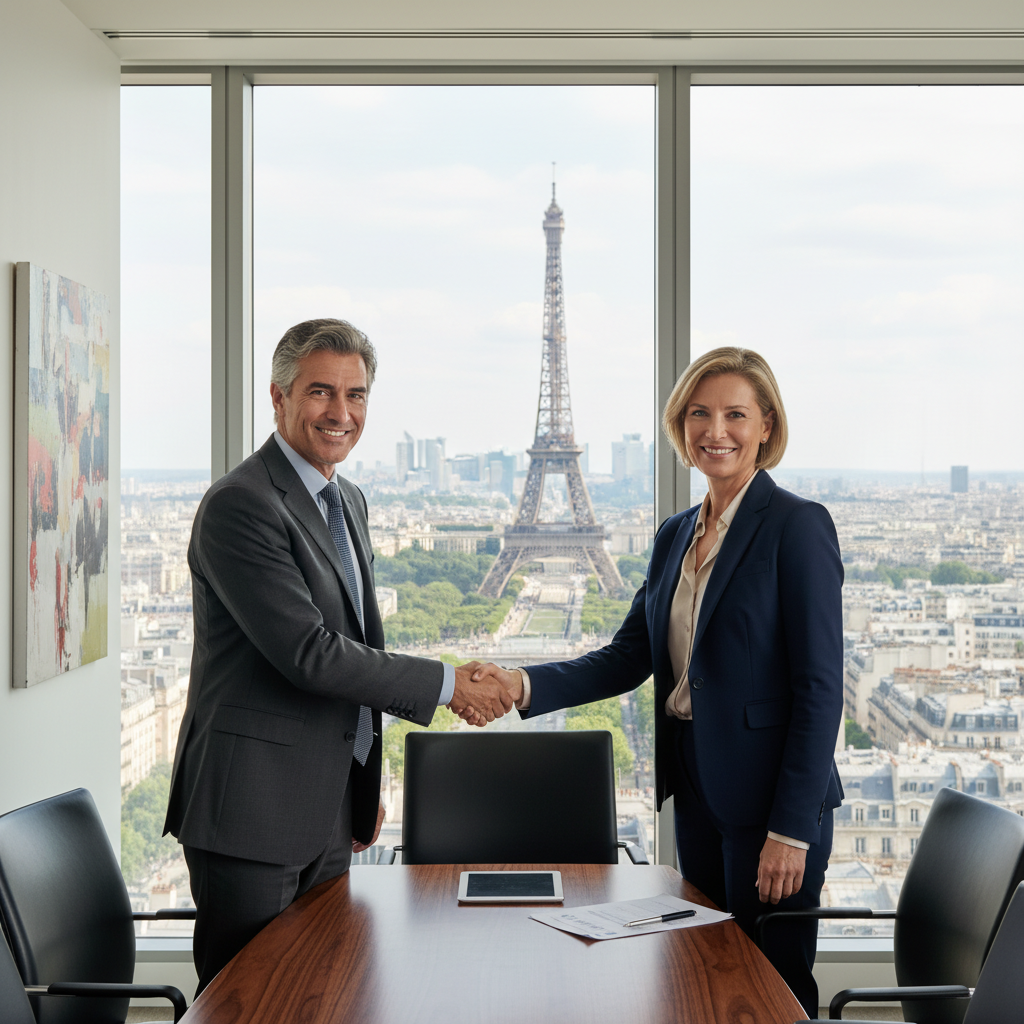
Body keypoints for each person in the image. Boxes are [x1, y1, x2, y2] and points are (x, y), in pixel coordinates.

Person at [460, 347, 844, 1017]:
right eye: (699, 413)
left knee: (770, 987)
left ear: (766, 426)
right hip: (694, 787)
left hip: (770, 801)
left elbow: (819, 687)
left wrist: (791, 830)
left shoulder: (795, 526)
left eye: (734, 414)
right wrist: (521, 684)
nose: (714, 431)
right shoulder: (673, 535)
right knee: (705, 973)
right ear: (679, 425)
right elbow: (626, 657)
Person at [164, 318, 513, 994]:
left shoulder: (344, 498)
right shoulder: (242, 504)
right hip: (251, 809)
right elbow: (310, 654)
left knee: (320, 993)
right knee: (249, 1002)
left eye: (356, 396)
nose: (341, 413)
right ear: (278, 397)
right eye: (321, 392)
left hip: (324, 806)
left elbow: (359, 646)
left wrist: (362, 781)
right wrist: (448, 684)